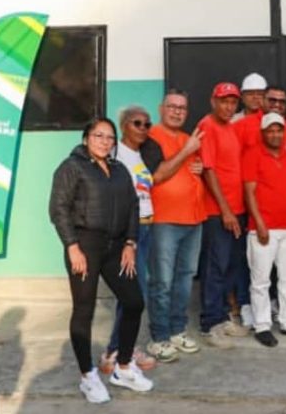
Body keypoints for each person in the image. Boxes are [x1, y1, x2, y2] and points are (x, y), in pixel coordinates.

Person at [49, 118, 154, 403]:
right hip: (85, 245)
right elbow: (58, 209)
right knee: (84, 310)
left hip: (116, 247)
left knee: (134, 302)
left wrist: (130, 243)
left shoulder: (119, 170)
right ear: (86, 138)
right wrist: (72, 246)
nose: (105, 141)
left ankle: (123, 368)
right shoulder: (72, 167)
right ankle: (88, 376)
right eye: (99, 135)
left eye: (110, 137)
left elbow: (133, 206)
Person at [146, 90, 206, 363]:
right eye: (172, 106)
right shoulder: (152, 137)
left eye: (182, 108)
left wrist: (199, 165)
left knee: (185, 279)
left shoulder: (187, 139)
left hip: (194, 218)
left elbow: (192, 170)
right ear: (161, 109)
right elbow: (158, 175)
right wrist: (187, 152)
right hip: (165, 221)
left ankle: (177, 330)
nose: (178, 111)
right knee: (162, 281)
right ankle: (158, 338)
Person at [99, 107, 160, 375]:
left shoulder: (142, 154)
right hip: (128, 233)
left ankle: (123, 347)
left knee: (135, 293)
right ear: (124, 126)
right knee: (132, 294)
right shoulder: (116, 153)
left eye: (147, 124)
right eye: (137, 123)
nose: (143, 128)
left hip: (146, 228)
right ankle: (115, 351)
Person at [242, 112, 286, 347]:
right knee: (261, 280)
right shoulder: (253, 155)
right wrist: (260, 223)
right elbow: (249, 191)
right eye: (270, 130)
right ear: (263, 133)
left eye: (278, 130)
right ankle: (262, 326)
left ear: (284, 132)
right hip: (263, 228)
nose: (275, 134)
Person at [197, 82, 251, 348]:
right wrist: (226, 210)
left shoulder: (231, 127)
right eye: (224, 101)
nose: (229, 106)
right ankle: (210, 324)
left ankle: (221, 316)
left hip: (237, 210)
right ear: (213, 101)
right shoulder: (207, 125)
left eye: (232, 102)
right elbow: (209, 171)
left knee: (230, 266)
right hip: (218, 212)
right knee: (215, 268)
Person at [234, 85, 286, 153]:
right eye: (272, 100)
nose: (277, 105)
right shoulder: (241, 125)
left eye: (282, 101)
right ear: (262, 101)